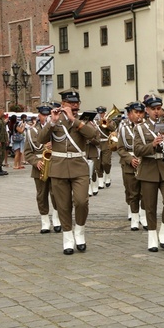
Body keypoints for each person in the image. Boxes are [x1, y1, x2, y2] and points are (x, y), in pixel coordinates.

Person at [38, 89, 98, 255]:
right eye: (71, 103)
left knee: (81, 201)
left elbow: (94, 136)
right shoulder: (54, 120)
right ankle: (67, 237)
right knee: (62, 205)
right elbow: (40, 139)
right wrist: (52, 122)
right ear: (63, 104)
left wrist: (74, 120)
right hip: (58, 168)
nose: (74, 105)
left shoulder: (83, 120)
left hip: (79, 166)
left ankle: (79, 230)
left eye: (76, 103)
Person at [132, 95, 164, 252]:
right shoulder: (139, 128)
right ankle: (152, 236)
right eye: (153, 109)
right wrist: (152, 145)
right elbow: (137, 149)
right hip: (148, 169)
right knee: (150, 206)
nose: (156, 112)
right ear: (147, 110)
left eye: (159, 108)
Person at [24, 104, 61, 234]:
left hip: (55, 165)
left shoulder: (57, 128)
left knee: (56, 194)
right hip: (40, 166)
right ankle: (45, 221)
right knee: (41, 195)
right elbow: (28, 153)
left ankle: (57, 219)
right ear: (39, 116)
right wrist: (35, 162)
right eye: (43, 115)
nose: (45, 117)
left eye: (48, 115)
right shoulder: (32, 131)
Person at [116, 101, 148, 232]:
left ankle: (144, 215)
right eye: (136, 112)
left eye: (141, 112)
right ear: (129, 114)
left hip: (145, 163)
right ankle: (134, 218)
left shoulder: (147, 127)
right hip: (129, 165)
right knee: (132, 192)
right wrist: (130, 159)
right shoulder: (123, 128)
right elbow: (120, 148)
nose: (139, 115)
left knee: (145, 192)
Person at [95, 106, 117, 189]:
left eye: (102, 113)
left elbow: (113, 128)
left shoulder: (110, 120)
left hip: (106, 143)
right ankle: (100, 181)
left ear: (105, 112)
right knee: (98, 163)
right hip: (97, 143)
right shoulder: (95, 121)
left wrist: (105, 123)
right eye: (99, 113)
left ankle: (107, 175)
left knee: (106, 162)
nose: (101, 114)